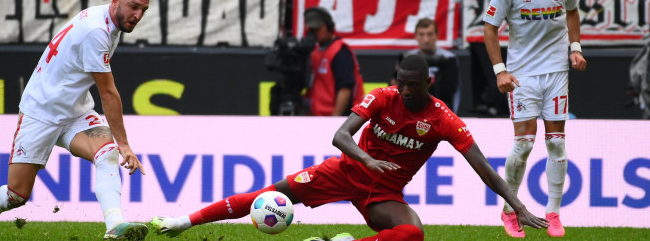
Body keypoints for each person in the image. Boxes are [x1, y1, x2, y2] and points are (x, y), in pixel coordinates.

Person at [150, 54, 549, 241]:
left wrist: (519, 206)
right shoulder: (382, 97)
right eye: (401, 82)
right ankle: (183, 222)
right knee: (267, 194)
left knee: (413, 234)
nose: (404, 90)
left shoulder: (444, 119)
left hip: (383, 193)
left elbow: (482, 167)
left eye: (412, 85)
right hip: (343, 171)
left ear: (428, 82)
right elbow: (340, 136)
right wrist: (366, 158)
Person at [0, 0, 151, 241]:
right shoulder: (96, 31)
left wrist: (118, 145)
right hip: (41, 112)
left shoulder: (106, 20)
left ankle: (115, 225)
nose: (137, 15)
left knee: (107, 153)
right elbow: (108, 93)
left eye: (143, 10)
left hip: (75, 111)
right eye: (133, 6)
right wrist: (126, 143)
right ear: (116, 0)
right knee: (17, 195)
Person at [483, 0, 587, 238]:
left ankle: (553, 213)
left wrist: (575, 48)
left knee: (556, 142)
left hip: (556, 70)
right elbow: (489, 28)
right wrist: (500, 70)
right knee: (524, 145)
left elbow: (571, 12)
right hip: (522, 74)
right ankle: (510, 211)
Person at [303, 6, 364, 116]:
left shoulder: (340, 51)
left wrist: (334, 120)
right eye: (311, 30)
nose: (314, 33)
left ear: (329, 27)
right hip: (317, 116)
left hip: (333, 117)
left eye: (317, 29)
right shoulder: (315, 52)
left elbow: (345, 89)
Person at [399, 18, 460, 112]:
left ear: (436, 35)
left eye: (429, 34)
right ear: (416, 36)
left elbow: (449, 90)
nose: (426, 40)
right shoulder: (406, 58)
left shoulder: (448, 58)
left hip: (442, 111)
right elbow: (396, 87)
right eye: (422, 34)